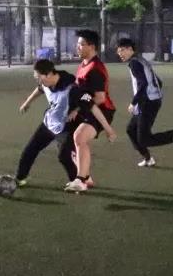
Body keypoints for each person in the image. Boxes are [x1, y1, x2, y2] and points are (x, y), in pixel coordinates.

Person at [16, 59, 116, 188]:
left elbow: (92, 107)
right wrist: (27, 103)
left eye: (39, 77)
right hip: (49, 123)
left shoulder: (73, 89)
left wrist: (109, 130)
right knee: (30, 150)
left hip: (65, 127)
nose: (38, 81)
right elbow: (39, 89)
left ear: (48, 74)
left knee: (64, 156)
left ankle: (80, 181)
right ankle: (20, 178)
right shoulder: (46, 83)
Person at [115, 38, 173, 167]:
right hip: (149, 101)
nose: (119, 53)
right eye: (118, 51)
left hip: (148, 103)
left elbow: (143, 84)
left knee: (144, 139)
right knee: (131, 130)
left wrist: (133, 102)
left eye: (122, 50)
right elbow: (158, 81)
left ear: (130, 49)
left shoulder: (134, 63)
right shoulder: (140, 60)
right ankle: (148, 159)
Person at [66, 29, 116, 193]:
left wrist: (79, 108)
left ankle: (81, 180)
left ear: (92, 46)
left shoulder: (95, 69)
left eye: (81, 44)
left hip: (102, 110)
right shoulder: (84, 64)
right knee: (68, 141)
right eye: (78, 44)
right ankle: (86, 177)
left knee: (79, 137)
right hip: (86, 110)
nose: (77, 47)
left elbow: (99, 98)